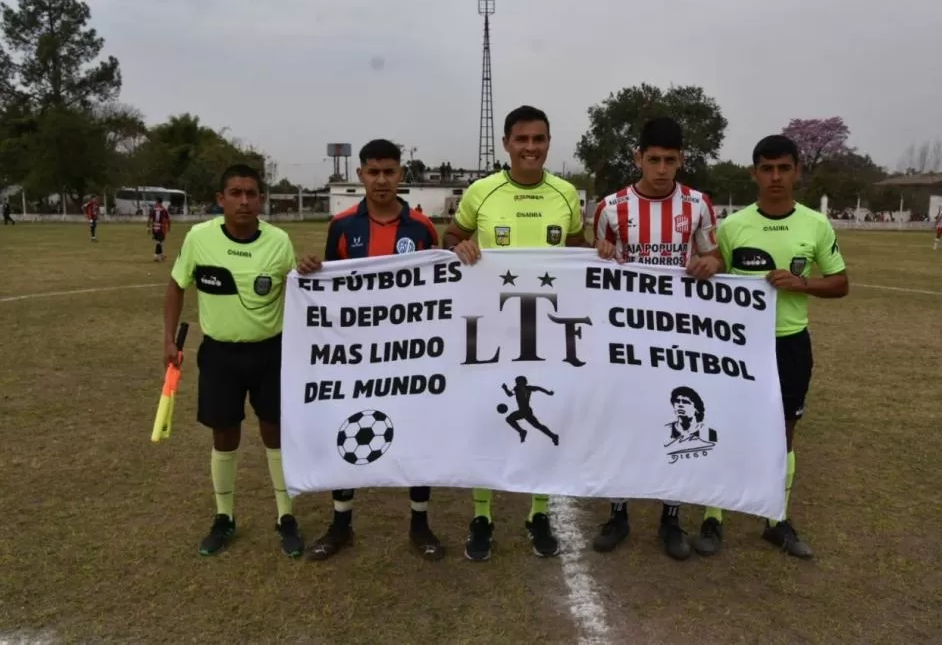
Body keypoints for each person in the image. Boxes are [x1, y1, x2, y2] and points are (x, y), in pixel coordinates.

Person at [443, 105, 615, 561]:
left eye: (539, 140)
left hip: (548, 330)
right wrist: (460, 244)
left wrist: (595, 250)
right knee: (485, 420)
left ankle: (538, 512)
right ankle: (482, 515)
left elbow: (575, 249)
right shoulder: (481, 192)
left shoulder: (564, 194)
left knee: (546, 418)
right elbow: (451, 236)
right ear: (507, 144)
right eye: (522, 140)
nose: (531, 148)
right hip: (490, 328)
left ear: (548, 143)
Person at [695, 134, 848, 560]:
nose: (775, 176)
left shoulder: (815, 225)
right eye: (767, 168)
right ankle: (714, 516)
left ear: (797, 170)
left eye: (783, 168)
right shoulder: (734, 225)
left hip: (789, 343)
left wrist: (803, 283)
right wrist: (710, 264)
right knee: (724, 425)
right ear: (755, 173)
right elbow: (719, 267)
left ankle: (776, 518)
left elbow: (840, 282)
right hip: (736, 346)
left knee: (784, 431)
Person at [295, 139, 445, 562]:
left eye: (390, 171)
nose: (382, 180)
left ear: (401, 175)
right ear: (360, 174)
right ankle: (341, 524)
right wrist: (312, 272)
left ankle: (420, 523)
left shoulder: (421, 228)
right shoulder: (342, 226)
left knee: (416, 435)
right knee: (350, 430)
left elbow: (438, 285)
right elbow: (329, 289)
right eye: (373, 171)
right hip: (357, 358)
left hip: (410, 353)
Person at [590, 116, 722, 560]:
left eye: (670, 160)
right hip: (626, 334)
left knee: (679, 419)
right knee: (625, 421)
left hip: (679, 335)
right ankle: (619, 511)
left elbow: (712, 255)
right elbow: (596, 265)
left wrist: (713, 263)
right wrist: (602, 253)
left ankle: (671, 516)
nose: (662, 169)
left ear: (681, 159)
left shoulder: (700, 204)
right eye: (653, 160)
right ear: (637, 158)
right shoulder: (611, 208)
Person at [164, 164, 304, 558]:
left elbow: (298, 294)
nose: (244, 201)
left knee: (275, 432)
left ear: (261, 199)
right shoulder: (199, 238)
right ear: (220, 199)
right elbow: (176, 284)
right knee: (224, 433)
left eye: (251, 193)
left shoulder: (279, 242)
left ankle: (285, 515)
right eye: (236, 193)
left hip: (270, 352)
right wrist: (167, 339)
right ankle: (224, 516)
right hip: (220, 354)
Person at [148, 197, 171, 261]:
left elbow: (149, 219)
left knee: (158, 242)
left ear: (157, 201)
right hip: (161, 228)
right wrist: (169, 227)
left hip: (154, 227)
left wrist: (148, 227)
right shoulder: (164, 209)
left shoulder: (153, 209)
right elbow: (168, 220)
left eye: (156, 201)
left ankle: (158, 255)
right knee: (160, 241)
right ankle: (159, 255)